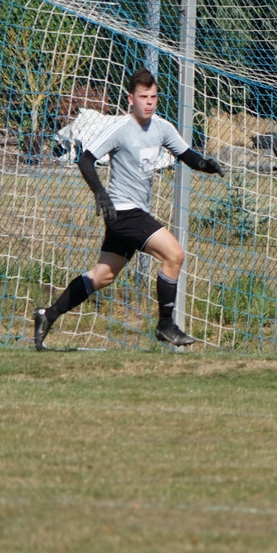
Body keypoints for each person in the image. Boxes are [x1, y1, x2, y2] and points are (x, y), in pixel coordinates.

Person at [33, 68, 224, 350]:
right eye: (143, 97)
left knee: (102, 276)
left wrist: (206, 165)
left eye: (153, 97)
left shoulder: (162, 128)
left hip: (132, 215)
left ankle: (47, 315)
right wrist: (100, 193)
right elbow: (85, 160)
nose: (149, 102)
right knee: (174, 254)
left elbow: (187, 155)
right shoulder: (120, 129)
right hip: (123, 213)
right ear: (131, 99)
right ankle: (165, 324)